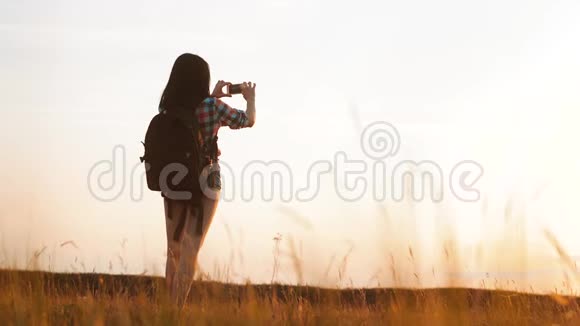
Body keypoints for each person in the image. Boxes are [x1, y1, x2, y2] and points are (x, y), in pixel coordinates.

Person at [158, 53, 256, 303]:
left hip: (173, 181)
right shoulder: (212, 107)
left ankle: (167, 314)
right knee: (191, 252)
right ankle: (177, 316)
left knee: (174, 251)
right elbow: (248, 121)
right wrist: (250, 98)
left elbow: (193, 118)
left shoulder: (168, 109)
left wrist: (212, 96)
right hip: (207, 181)